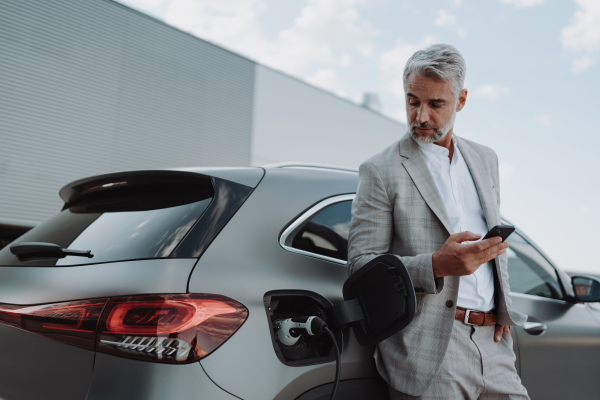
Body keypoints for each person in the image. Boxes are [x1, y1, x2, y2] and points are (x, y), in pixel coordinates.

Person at [347, 44, 530, 399]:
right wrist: (434, 265)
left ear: (460, 100)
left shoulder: (485, 159)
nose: (421, 117)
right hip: (430, 352)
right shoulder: (380, 170)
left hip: (494, 347)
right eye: (413, 101)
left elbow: (495, 247)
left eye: (436, 104)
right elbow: (359, 266)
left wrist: (503, 311)